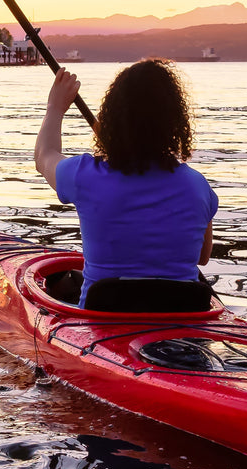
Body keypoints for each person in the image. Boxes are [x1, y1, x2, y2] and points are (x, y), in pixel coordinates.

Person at [34, 59, 218, 311]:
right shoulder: (198, 186)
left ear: (113, 116)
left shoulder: (85, 175)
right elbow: (202, 257)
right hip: (183, 322)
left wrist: (55, 108)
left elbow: (44, 156)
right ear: (175, 122)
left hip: (102, 321)